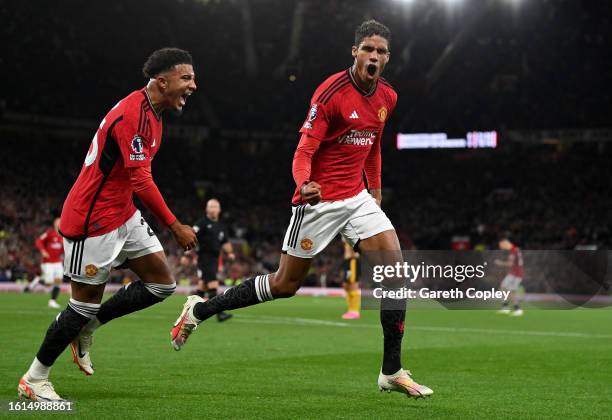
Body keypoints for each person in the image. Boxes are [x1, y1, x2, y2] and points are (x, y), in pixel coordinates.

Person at [171, 20, 433, 399]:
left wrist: (374, 190)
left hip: (357, 198)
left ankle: (390, 371)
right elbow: (305, 150)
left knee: (395, 274)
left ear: (387, 58)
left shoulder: (387, 97)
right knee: (284, 285)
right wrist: (303, 183)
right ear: (355, 52)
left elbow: (374, 146)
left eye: (380, 51)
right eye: (367, 49)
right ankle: (199, 311)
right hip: (319, 200)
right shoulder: (331, 93)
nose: (373, 56)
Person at [18, 48, 198, 401]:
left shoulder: (153, 110)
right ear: (163, 81)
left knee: (161, 284)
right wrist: (175, 225)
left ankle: (90, 327)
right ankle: (34, 378)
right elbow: (143, 181)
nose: (193, 85)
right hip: (93, 219)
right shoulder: (134, 116)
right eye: (186, 78)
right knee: (81, 304)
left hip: (122, 211)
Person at [193, 198, 235, 322]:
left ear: (219, 210)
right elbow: (190, 235)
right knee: (213, 285)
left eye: (215, 207)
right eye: (211, 206)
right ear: (206, 209)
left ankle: (190, 311)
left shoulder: (221, 226)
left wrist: (231, 253)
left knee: (203, 286)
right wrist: (187, 254)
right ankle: (219, 313)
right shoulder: (201, 223)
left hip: (214, 258)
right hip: (204, 258)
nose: (213, 209)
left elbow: (225, 242)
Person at [25, 218, 64, 308]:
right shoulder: (49, 233)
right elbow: (38, 241)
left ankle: (52, 301)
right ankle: (38, 281)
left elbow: (62, 248)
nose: (59, 224)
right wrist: (43, 251)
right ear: (54, 224)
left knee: (58, 281)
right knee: (49, 283)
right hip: (48, 262)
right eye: (58, 222)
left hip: (57, 262)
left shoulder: (63, 236)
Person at [495, 235, 525, 316]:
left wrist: (499, 263)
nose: (501, 247)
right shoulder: (515, 249)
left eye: (501, 245)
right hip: (515, 273)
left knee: (510, 291)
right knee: (503, 288)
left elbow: (510, 264)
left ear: (504, 243)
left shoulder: (513, 250)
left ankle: (517, 309)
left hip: (516, 274)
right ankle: (505, 308)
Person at [341, 238, 361, 320]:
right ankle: (350, 309)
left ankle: (354, 311)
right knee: (346, 285)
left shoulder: (353, 233)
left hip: (353, 261)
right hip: (348, 261)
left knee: (353, 285)